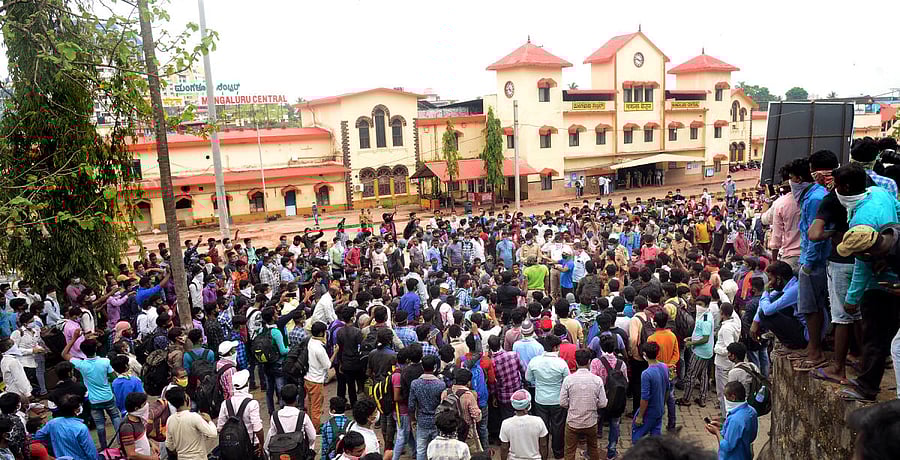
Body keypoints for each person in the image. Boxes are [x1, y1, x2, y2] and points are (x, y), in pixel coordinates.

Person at [62, 334, 121, 450]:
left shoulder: (81, 364)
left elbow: (64, 354)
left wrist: (73, 339)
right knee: (115, 418)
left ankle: (104, 448)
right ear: (96, 349)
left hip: (94, 400)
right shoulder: (105, 361)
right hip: (108, 396)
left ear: (83, 351)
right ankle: (121, 443)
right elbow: (114, 378)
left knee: (99, 426)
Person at [525, 334, 570, 459]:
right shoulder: (561, 363)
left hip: (540, 400)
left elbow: (528, 378)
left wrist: (539, 381)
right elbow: (567, 381)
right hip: (557, 400)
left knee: (542, 428)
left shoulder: (535, 361)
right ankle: (558, 453)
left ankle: (542, 453)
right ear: (556, 347)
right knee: (558, 427)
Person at [559, 349, 607, 460]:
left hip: (573, 422)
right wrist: (593, 404)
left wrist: (573, 405)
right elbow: (603, 403)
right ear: (589, 362)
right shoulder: (597, 380)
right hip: (591, 422)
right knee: (593, 448)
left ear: (576, 362)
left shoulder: (568, 380)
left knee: (569, 451)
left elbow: (562, 402)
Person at [34, 394, 98, 459]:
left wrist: (54, 443)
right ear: (76, 410)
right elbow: (91, 452)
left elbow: (38, 436)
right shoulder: (81, 428)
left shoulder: (53, 422)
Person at [216, 369, 265, 456]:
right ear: (247, 384)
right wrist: (262, 443)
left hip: (233, 447)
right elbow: (257, 428)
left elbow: (220, 428)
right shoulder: (252, 404)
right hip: (250, 446)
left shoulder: (225, 403)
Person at [705, 381, 758, 460]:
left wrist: (716, 432)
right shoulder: (752, 411)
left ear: (733, 397)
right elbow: (749, 435)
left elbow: (727, 446)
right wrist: (723, 427)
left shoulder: (735, 420)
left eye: (726, 397)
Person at [678, 296, 714, 407]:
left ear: (707, 305)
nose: (698, 306)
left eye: (701, 304)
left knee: (691, 375)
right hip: (705, 351)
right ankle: (702, 398)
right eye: (697, 304)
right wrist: (691, 338)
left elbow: (705, 338)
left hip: (700, 352)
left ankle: (686, 398)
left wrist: (691, 343)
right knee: (703, 375)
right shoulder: (705, 315)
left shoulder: (706, 319)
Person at [409, 354, 446, 460]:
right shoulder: (440, 384)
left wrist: (413, 420)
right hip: (436, 421)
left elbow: (411, 405)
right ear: (434, 367)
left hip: (422, 420)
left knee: (420, 450)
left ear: (422, 367)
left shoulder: (415, 384)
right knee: (437, 450)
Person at [647, 311, 679, 432]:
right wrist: (669, 365)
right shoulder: (672, 336)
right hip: (670, 370)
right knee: (670, 397)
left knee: (656, 398)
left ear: (655, 323)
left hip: (656, 372)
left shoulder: (651, 338)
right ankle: (672, 423)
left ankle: (655, 426)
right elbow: (676, 354)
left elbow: (650, 357)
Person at [165, 386, 218, 460]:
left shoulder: (170, 420)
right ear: (186, 399)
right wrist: (209, 421)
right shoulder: (194, 417)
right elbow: (213, 433)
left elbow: (169, 445)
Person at [632, 342, 669, 442]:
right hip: (659, 409)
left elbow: (645, 398)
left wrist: (640, 416)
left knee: (637, 436)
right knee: (655, 437)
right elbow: (667, 389)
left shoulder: (646, 374)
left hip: (650, 411)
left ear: (644, 354)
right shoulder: (664, 367)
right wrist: (663, 404)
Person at [263, 384, 316, 452]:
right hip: (299, 453)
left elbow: (271, 436)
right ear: (297, 398)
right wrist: (309, 448)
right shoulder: (302, 416)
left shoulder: (275, 416)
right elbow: (312, 436)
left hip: (281, 453)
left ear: (282, 399)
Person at [440, 368, 482, 453]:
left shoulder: (446, 392)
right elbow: (477, 417)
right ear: (468, 382)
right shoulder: (469, 395)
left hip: (449, 430)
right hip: (466, 431)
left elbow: (442, 410)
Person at [499, 389, 548, 460]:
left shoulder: (506, 423)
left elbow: (504, 447)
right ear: (528, 406)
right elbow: (543, 445)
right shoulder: (538, 421)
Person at [714, 303, 741, 418]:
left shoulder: (726, 329)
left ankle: (726, 417)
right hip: (725, 363)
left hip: (723, 363)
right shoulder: (732, 324)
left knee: (723, 392)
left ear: (722, 313)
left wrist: (717, 349)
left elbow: (730, 348)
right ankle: (725, 413)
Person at [119, 392, 158, 460]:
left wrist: (151, 444)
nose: (147, 405)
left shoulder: (139, 419)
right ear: (136, 408)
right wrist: (151, 458)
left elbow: (141, 437)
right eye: (144, 404)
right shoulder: (127, 427)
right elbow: (131, 454)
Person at [307, 321, 331, 431]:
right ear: (322, 333)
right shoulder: (319, 348)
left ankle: (311, 425)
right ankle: (316, 428)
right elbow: (327, 365)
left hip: (308, 377)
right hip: (316, 379)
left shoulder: (310, 341)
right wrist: (335, 352)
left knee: (311, 404)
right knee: (316, 407)